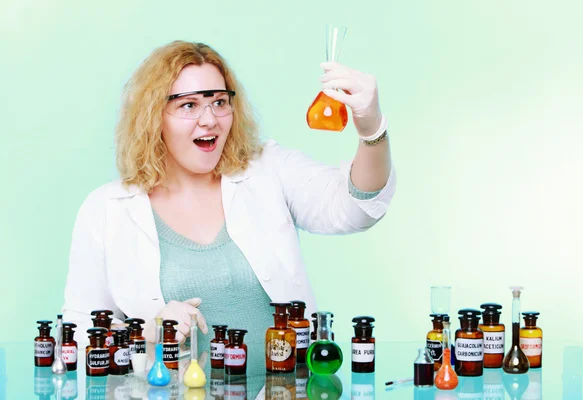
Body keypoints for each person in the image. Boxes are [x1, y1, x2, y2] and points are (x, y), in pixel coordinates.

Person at [62, 41, 396, 348]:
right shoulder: (106, 209)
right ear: (153, 117)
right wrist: (143, 332)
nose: (209, 120)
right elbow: (77, 333)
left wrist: (372, 129)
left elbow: (357, 207)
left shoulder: (269, 170)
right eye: (189, 105)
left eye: (219, 102)